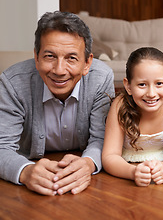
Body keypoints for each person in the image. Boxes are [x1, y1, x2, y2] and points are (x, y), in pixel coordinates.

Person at [0, 11, 115, 195]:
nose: (59, 70)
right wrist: (25, 171)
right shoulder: (12, 82)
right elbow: (2, 146)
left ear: (87, 63)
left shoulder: (101, 79)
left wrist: (88, 163)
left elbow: (102, 138)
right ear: (36, 58)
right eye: (50, 56)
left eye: (71, 58)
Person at [102, 47, 163, 186]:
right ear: (128, 86)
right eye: (142, 84)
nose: (151, 93)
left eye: (159, 84)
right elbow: (109, 156)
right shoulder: (119, 105)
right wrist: (132, 172)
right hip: (125, 169)